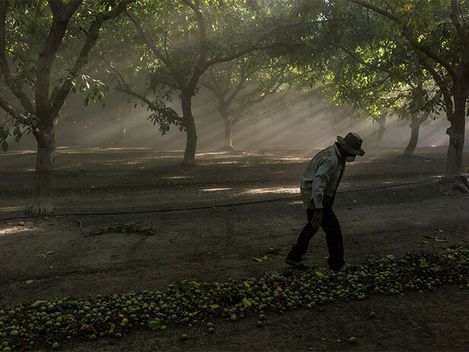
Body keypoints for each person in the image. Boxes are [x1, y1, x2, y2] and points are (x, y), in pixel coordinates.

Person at [285, 132, 365, 271]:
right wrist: (319, 208)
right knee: (333, 230)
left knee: (312, 226)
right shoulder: (331, 159)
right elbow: (318, 183)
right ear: (345, 149)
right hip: (314, 195)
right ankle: (337, 264)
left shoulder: (335, 155)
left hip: (317, 194)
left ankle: (294, 256)